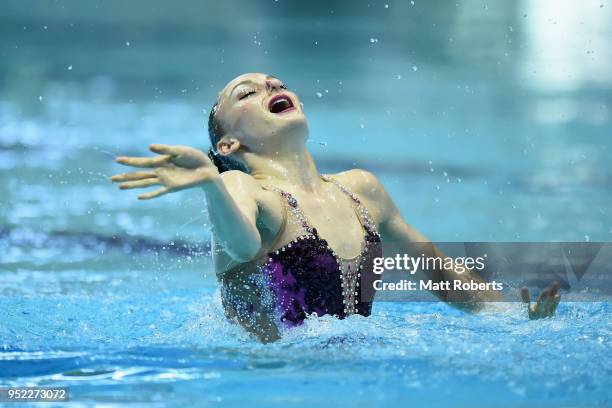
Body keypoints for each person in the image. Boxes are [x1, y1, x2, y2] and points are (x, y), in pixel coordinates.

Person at [111, 73, 561, 342]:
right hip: (267, 380)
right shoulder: (241, 189)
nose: (270, 85)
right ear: (229, 144)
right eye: (246, 93)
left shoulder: (361, 189)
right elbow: (241, 243)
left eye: (277, 83)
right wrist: (210, 184)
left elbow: (434, 269)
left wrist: (508, 315)